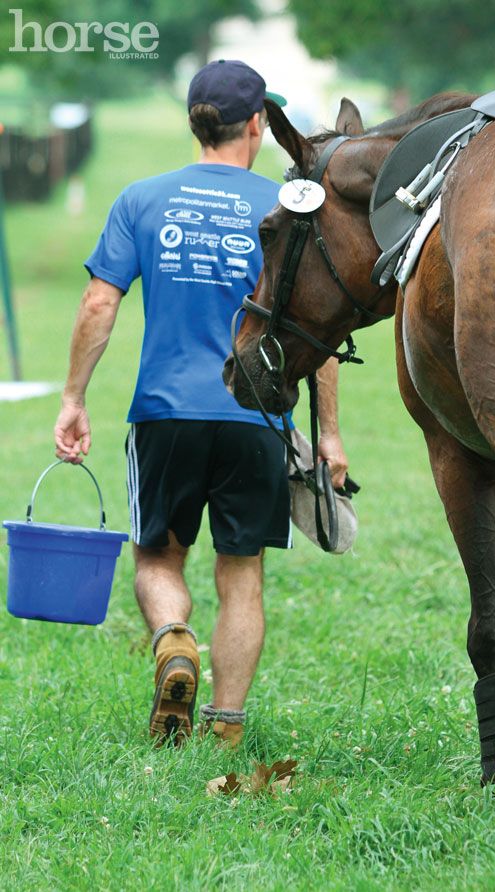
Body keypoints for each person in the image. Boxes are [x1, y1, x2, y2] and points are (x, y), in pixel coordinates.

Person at [54, 60, 348, 749]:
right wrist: (328, 433)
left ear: (196, 121)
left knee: (158, 558)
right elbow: (321, 333)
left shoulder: (141, 198)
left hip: (164, 412)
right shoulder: (287, 211)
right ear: (256, 125)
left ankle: (174, 642)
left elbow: (100, 301)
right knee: (241, 570)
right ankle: (227, 728)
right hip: (257, 414)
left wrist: (73, 398)